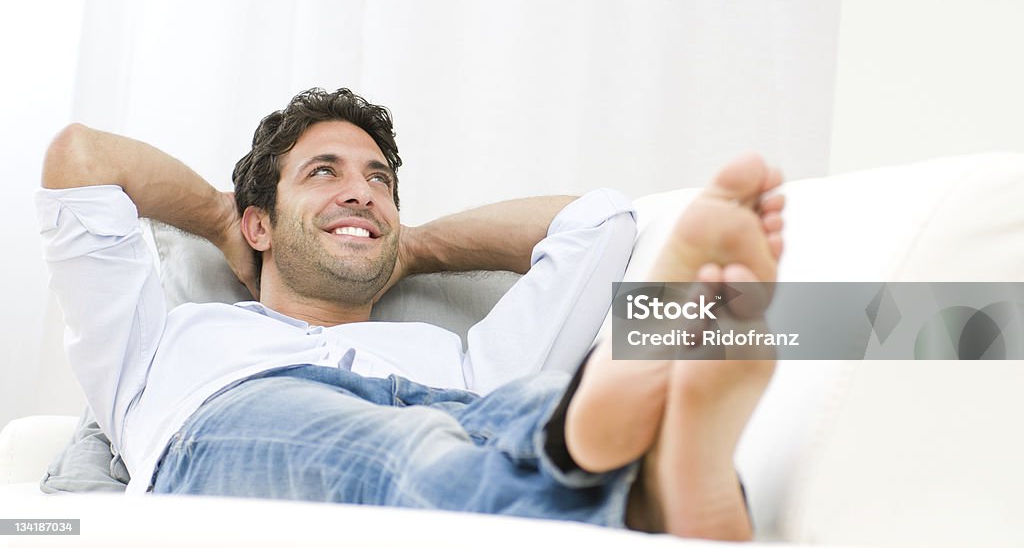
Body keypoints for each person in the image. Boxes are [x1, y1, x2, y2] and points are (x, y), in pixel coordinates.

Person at [38, 87, 784, 540]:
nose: (362, 193)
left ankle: (608, 442)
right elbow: (81, 158)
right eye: (323, 173)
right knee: (417, 456)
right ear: (260, 223)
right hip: (245, 412)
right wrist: (219, 217)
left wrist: (413, 248)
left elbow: (601, 223)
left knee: (521, 400)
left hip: (463, 405)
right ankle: (623, 457)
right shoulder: (160, 346)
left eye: (380, 183)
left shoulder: (456, 356)